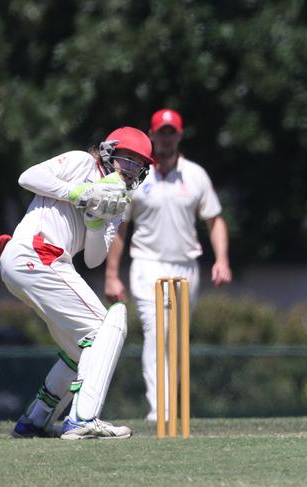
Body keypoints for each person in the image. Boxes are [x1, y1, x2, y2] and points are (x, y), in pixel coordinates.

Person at [0, 126, 154, 439]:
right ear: (109, 153)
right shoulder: (82, 163)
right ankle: (83, 418)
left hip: (44, 263)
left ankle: (36, 419)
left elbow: (94, 259)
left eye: (138, 166)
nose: (130, 170)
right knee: (106, 324)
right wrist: (80, 193)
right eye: (127, 161)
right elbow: (27, 177)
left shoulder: (117, 206)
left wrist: (96, 220)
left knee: (81, 348)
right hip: (36, 253)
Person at [104, 108, 232, 421]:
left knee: (175, 337)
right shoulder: (136, 175)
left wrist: (222, 260)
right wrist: (111, 275)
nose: (165, 138)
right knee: (155, 332)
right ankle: (158, 409)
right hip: (147, 264)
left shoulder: (195, 175)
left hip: (185, 265)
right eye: (160, 132)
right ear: (151, 135)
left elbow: (214, 220)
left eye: (170, 132)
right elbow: (120, 228)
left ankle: (170, 406)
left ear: (179, 135)